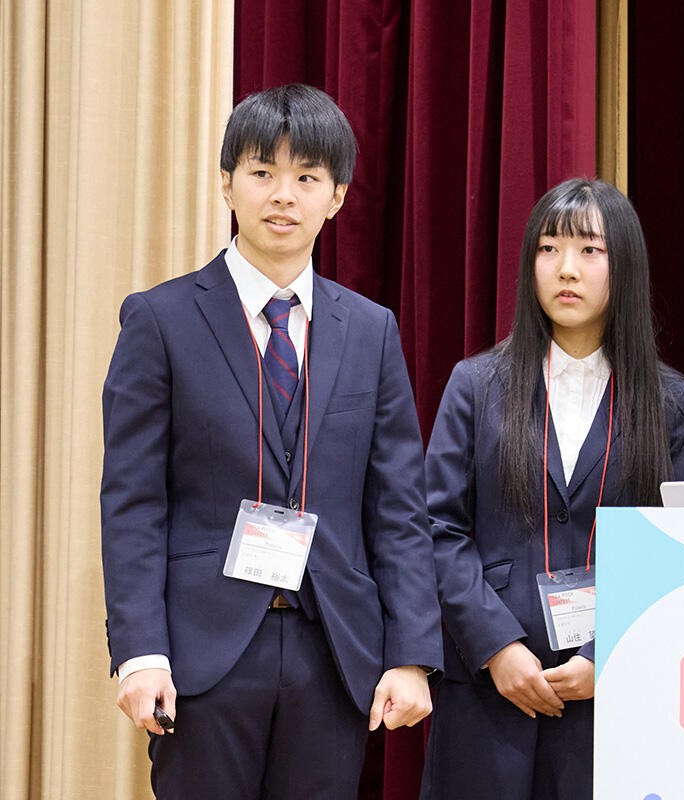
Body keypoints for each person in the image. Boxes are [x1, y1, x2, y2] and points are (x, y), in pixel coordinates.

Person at [100, 84, 442, 799]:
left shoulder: (371, 330)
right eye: (262, 172)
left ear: (337, 196)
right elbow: (133, 503)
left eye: (307, 177)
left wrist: (411, 654)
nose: (284, 194)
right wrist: (140, 652)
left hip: (333, 650)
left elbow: (399, 508)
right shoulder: (160, 320)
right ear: (227, 183)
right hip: (201, 654)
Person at [420, 178, 684, 799]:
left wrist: (607, 653)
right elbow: (437, 528)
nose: (566, 269)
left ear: (625, 266)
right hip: (489, 690)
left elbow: (676, 546)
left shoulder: (673, 403)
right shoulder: (476, 385)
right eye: (549, 249)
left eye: (590, 250)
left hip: (615, 695)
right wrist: (496, 647)